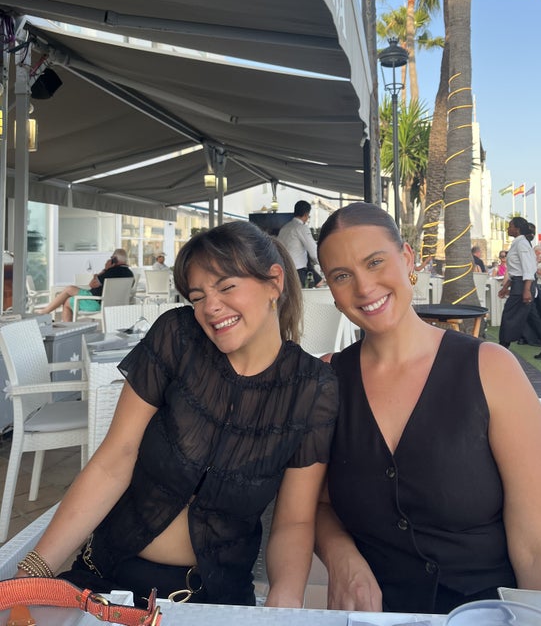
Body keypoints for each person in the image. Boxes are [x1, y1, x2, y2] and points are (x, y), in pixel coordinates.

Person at [18, 222, 338, 607]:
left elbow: (294, 521)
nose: (210, 307)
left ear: (274, 282)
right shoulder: (179, 336)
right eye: (198, 296)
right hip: (106, 576)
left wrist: (282, 606)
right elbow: (114, 460)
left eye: (226, 287)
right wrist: (33, 571)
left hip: (211, 599)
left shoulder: (312, 387)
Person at [313, 202, 541, 616]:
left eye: (375, 262)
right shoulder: (327, 381)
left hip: (505, 608)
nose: (364, 287)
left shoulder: (490, 368)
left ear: (408, 258)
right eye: (341, 275)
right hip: (389, 613)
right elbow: (315, 505)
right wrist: (341, 557)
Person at [498, 217, 541, 360]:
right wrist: (506, 286)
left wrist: (526, 289)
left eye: (510, 226)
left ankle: (501, 349)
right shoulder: (519, 243)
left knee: (508, 316)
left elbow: (528, 268)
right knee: (533, 318)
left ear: (517, 228)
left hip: (523, 286)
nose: (508, 228)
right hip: (519, 284)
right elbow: (517, 270)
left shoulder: (522, 244)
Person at [35, 248, 134, 322]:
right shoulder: (130, 274)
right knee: (69, 293)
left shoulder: (110, 272)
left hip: (96, 303)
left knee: (68, 294)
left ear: (114, 260)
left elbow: (92, 284)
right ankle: (46, 312)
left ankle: (46, 313)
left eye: (111, 258)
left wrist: (105, 269)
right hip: (114, 305)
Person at [277, 200, 324, 288]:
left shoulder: (284, 228)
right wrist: (323, 264)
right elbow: (314, 252)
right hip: (298, 271)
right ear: (306, 214)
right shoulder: (301, 228)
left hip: (284, 270)